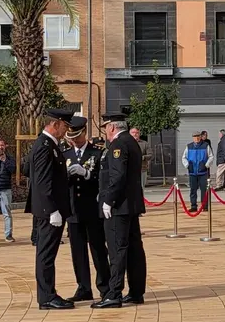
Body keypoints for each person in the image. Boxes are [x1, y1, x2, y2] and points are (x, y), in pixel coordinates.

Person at [94, 114, 147, 308]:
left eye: (106, 126)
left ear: (113, 127)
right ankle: (135, 291)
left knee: (117, 249)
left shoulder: (118, 145)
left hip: (119, 206)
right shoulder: (131, 142)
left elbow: (117, 176)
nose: (105, 131)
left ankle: (114, 293)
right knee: (134, 249)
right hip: (130, 205)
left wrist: (108, 200)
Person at [30, 109, 75, 310]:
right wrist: (51, 209)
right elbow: (41, 182)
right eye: (65, 126)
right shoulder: (44, 146)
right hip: (49, 211)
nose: (67, 130)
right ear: (55, 124)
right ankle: (47, 297)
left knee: (48, 254)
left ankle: (49, 293)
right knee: (46, 254)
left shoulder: (50, 145)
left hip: (52, 208)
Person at [63, 118, 110, 303]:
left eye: (77, 136)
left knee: (98, 249)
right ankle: (83, 287)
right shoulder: (65, 154)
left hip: (92, 209)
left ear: (84, 133)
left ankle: (105, 287)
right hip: (74, 209)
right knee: (77, 252)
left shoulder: (98, 153)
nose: (74, 141)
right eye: (71, 138)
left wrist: (87, 174)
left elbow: (104, 178)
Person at [182, 131, 213, 213]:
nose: (197, 138)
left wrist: (206, 165)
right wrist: (187, 165)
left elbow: (211, 156)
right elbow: (184, 157)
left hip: (203, 172)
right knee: (193, 190)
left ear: (200, 136)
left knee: (204, 190)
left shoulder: (206, 146)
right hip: (192, 172)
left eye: (198, 136)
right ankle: (193, 206)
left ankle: (205, 206)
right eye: (195, 136)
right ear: (193, 138)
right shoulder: (189, 146)